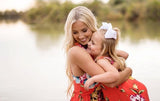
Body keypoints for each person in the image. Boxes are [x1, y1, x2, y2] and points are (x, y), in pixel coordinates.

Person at [64, 6, 132, 101]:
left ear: (91, 26)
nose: (81, 36)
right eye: (75, 32)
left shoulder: (93, 47)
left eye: (84, 30)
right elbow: (111, 82)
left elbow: (123, 55)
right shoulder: (76, 51)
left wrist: (114, 65)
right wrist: (128, 71)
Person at [84, 22, 150, 101]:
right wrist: (108, 49)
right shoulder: (108, 56)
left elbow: (114, 74)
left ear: (103, 49)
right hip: (135, 88)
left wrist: (93, 79)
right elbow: (125, 55)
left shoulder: (101, 60)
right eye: (90, 40)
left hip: (127, 93)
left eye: (93, 43)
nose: (88, 43)